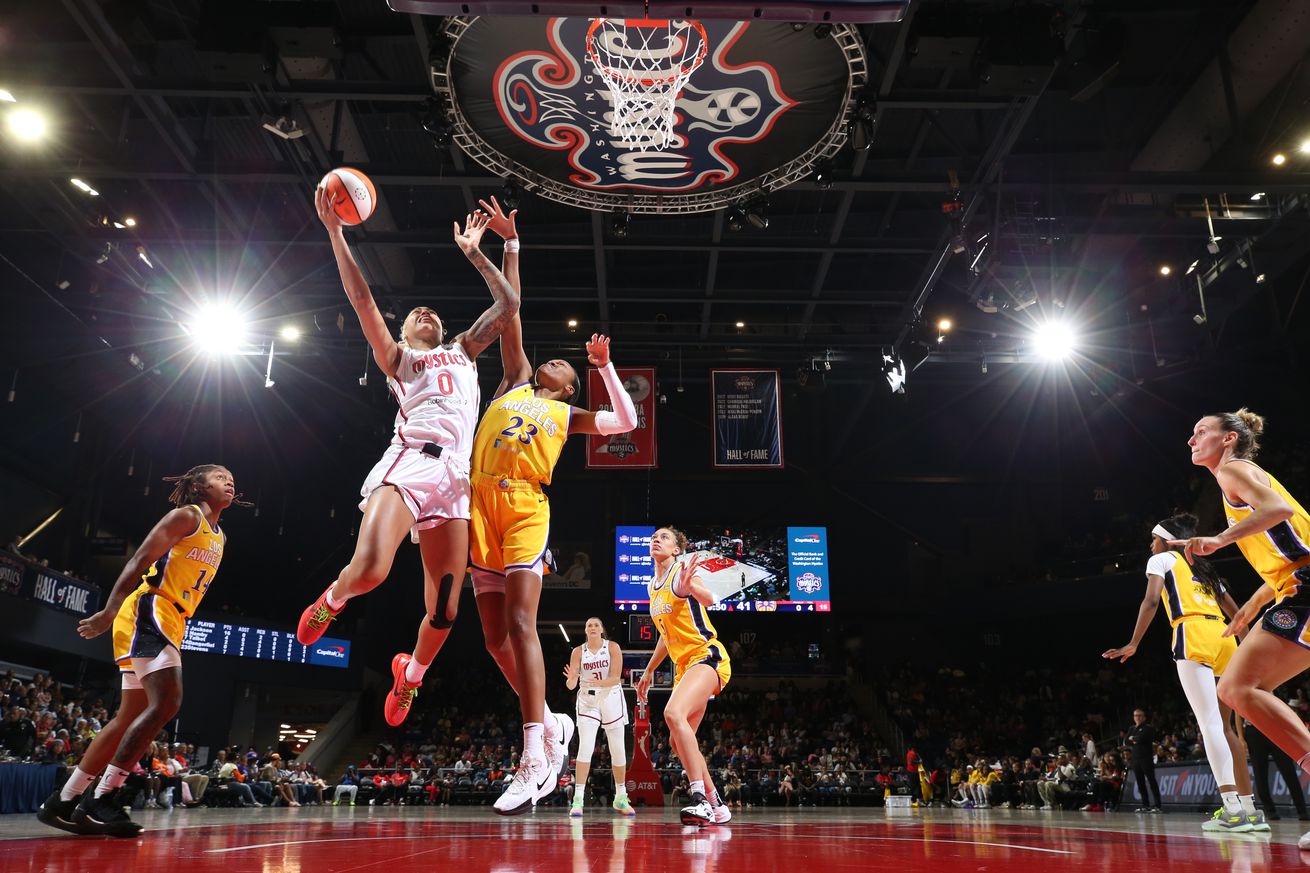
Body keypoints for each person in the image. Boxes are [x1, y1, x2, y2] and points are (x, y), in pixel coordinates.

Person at [296, 192, 521, 731]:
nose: (427, 312)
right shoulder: (400, 360)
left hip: (455, 481)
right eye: (417, 314)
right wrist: (336, 233)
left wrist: (479, 252)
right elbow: (362, 300)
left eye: (433, 313)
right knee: (372, 570)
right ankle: (334, 597)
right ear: (404, 333)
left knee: (445, 610)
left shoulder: (465, 351)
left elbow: (509, 306)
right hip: (411, 462)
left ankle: (411, 675)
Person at [463, 197, 636, 815]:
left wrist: (606, 368)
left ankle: (535, 752)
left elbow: (627, 419)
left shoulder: (567, 410)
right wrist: (509, 245)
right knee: (489, 638)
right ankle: (555, 724)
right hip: (476, 504)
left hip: (525, 508)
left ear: (568, 386)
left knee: (518, 623)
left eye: (565, 365)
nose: (554, 360)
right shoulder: (513, 383)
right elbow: (512, 311)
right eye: (554, 359)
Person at [36, 465, 240, 836]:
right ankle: (103, 798)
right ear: (198, 485)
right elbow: (139, 561)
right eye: (220, 476)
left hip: (173, 618)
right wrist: (110, 610)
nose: (229, 481)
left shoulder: (220, 536)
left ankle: (63, 801)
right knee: (167, 702)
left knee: (129, 716)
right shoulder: (186, 516)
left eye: (231, 478)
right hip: (151, 608)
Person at [1173, 409, 1310, 847]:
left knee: (1236, 689)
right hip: (1295, 586)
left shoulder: (1233, 469)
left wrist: (1217, 541)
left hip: (1304, 588)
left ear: (1229, 439)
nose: (1192, 440)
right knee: (1243, 688)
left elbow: (1279, 509)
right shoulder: (1239, 476)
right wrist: (1249, 607)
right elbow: (1284, 554)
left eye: (1201, 432)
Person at [1102, 512, 1259, 832]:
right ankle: (1250, 809)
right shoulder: (1205, 569)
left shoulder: (1160, 561)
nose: (1150, 544)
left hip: (1192, 634)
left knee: (1210, 724)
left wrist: (1133, 643)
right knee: (1229, 730)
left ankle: (1231, 809)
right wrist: (1248, 652)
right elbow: (1239, 613)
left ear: (1166, 542)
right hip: (1226, 640)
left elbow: (1149, 602)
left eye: (1154, 538)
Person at [636, 528, 733, 826]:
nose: (656, 539)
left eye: (664, 537)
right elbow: (666, 635)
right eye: (654, 536)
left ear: (677, 549)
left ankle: (699, 799)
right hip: (684, 667)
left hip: (707, 657)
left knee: (672, 713)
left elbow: (709, 598)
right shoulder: (653, 586)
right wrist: (650, 669)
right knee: (679, 743)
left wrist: (695, 588)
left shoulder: (682, 572)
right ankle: (717, 804)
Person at [564, 617, 633, 817]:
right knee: (585, 747)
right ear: (586, 631)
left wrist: (589, 682)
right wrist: (573, 679)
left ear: (602, 629)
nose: (593, 627)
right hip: (587, 700)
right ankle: (577, 799)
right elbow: (571, 686)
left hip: (611, 696)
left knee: (618, 749)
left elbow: (615, 678)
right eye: (589, 625)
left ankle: (620, 797)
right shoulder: (578, 651)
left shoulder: (612, 647)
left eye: (596, 625)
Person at [1123, 710, 1162, 813]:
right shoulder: (1132, 728)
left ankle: (1157, 805)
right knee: (1140, 783)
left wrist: (1134, 739)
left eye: (1140, 715)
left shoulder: (1148, 728)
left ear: (1144, 717)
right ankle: (1145, 805)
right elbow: (1126, 741)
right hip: (1135, 759)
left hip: (1146, 758)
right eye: (1135, 715)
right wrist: (1133, 739)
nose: (1137, 717)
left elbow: (1141, 739)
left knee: (1151, 781)